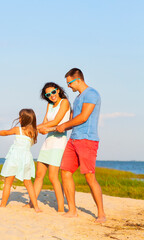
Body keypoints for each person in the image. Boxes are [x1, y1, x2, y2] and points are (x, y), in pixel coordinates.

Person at [57, 68, 106, 223]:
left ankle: (101, 213)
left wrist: (64, 125)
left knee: (89, 176)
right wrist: (57, 127)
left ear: (77, 79)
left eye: (69, 83)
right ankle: (72, 210)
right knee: (65, 171)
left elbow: (84, 117)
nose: (69, 86)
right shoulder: (77, 98)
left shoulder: (91, 94)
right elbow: (73, 121)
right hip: (74, 139)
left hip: (87, 139)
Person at [28, 82, 70, 212]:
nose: (51, 96)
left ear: (58, 90)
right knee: (39, 175)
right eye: (48, 94)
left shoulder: (64, 102)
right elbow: (45, 122)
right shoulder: (49, 105)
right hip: (48, 142)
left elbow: (56, 122)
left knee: (53, 177)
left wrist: (36, 128)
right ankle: (31, 203)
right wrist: (33, 128)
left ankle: (61, 208)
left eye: (53, 92)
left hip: (58, 142)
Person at [0, 109, 42, 212]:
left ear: (24, 119)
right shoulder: (34, 132)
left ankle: (3, 204)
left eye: (20, 117)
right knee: (28, 184)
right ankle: (36, 207)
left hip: (14, 158)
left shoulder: (17, 129)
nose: (19, 119)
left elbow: (5, 132)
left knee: (8, 183)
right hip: (26, 159)